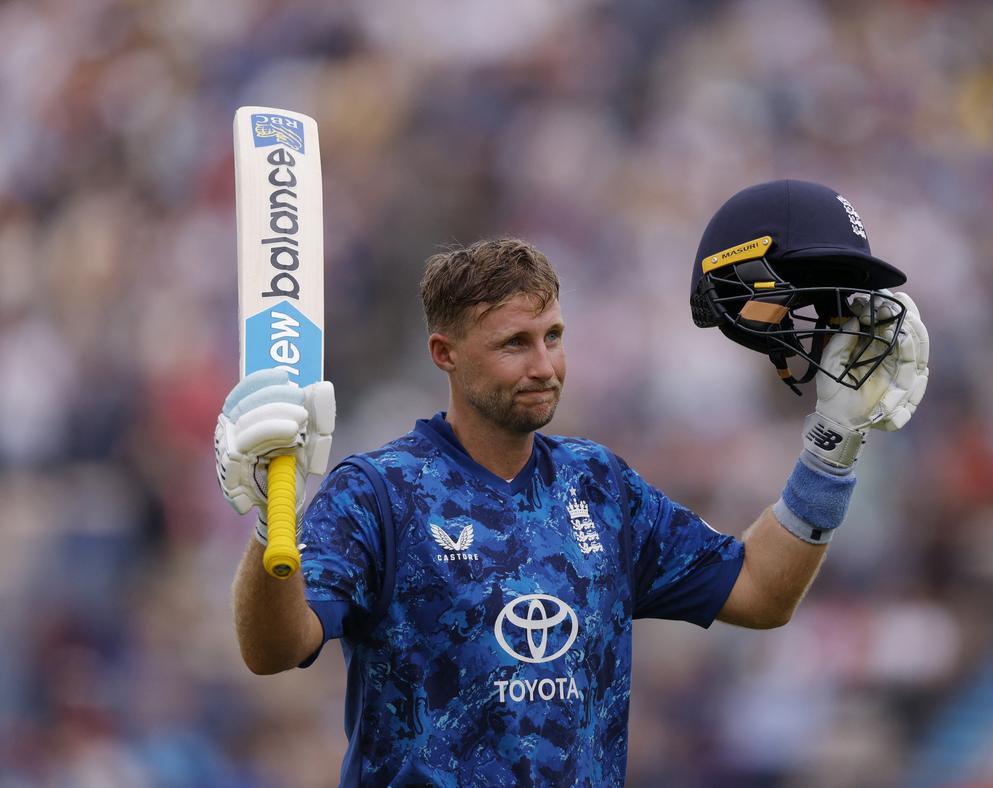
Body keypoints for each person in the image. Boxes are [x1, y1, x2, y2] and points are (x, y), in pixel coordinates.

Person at [215, 179, 930, 786]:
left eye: (553, 337)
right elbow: (272, 649)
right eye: (514, 344)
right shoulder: (377, 494)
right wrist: (265, 525)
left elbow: (760, 593)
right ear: (446, 355)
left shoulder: (599, 486)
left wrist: (833, 446)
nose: (544, 365)